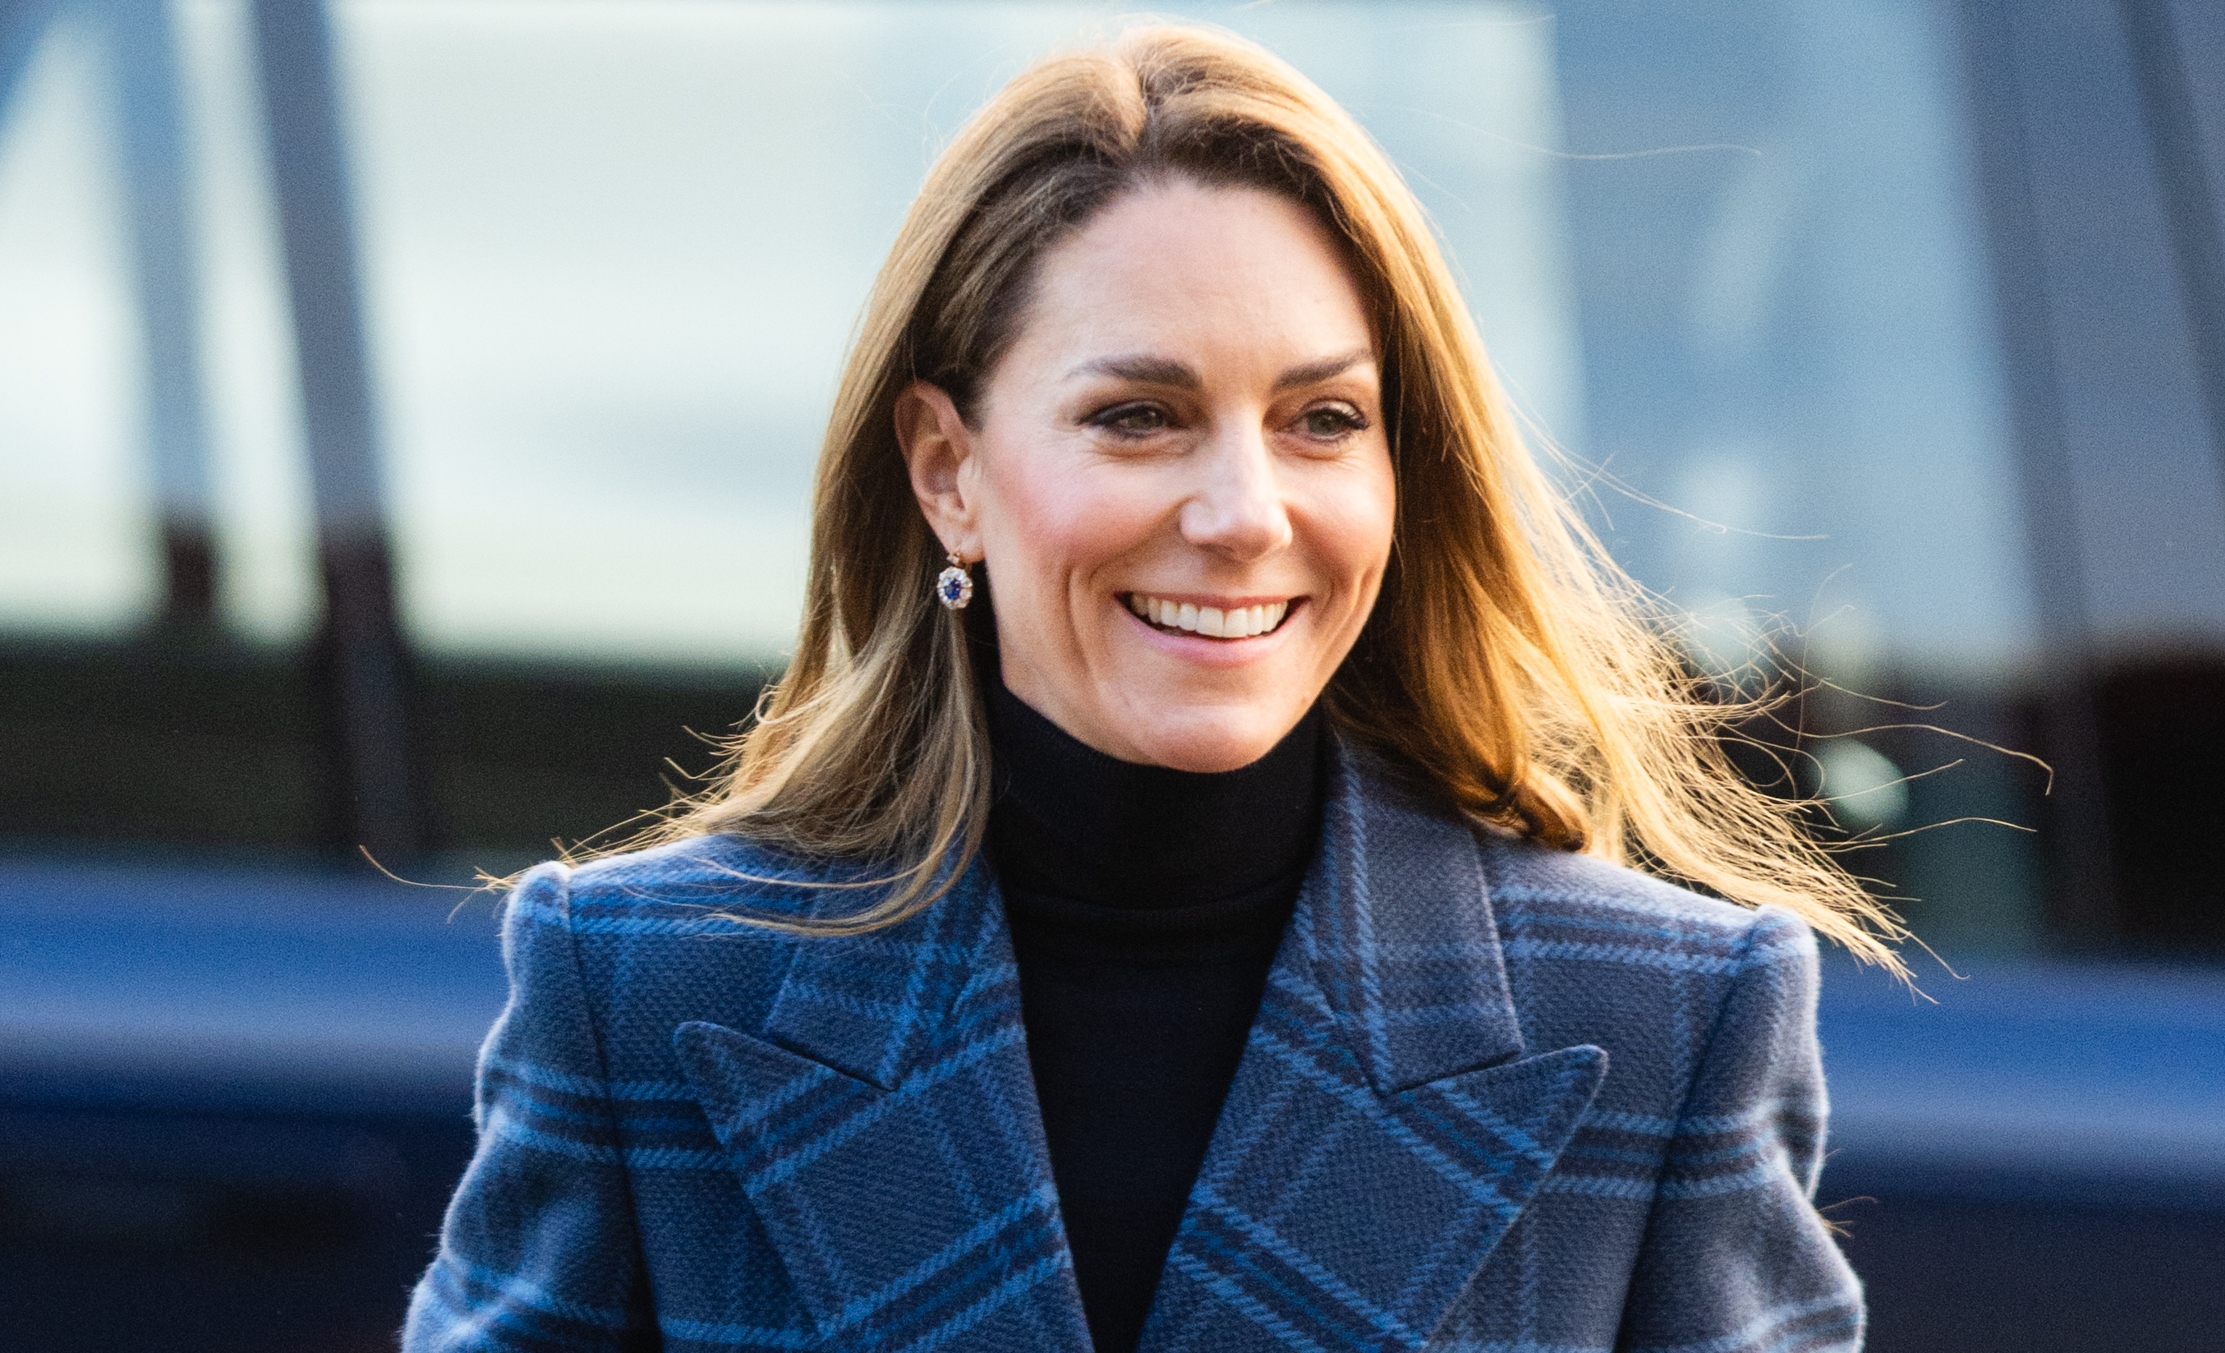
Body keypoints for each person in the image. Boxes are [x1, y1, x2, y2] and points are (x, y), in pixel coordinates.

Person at [403, 24, 1901, 1353]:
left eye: (1321, 419)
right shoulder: (650, 989)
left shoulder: (1660, 1017)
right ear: (948, 472)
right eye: (1138, 416)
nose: (1245, 509)